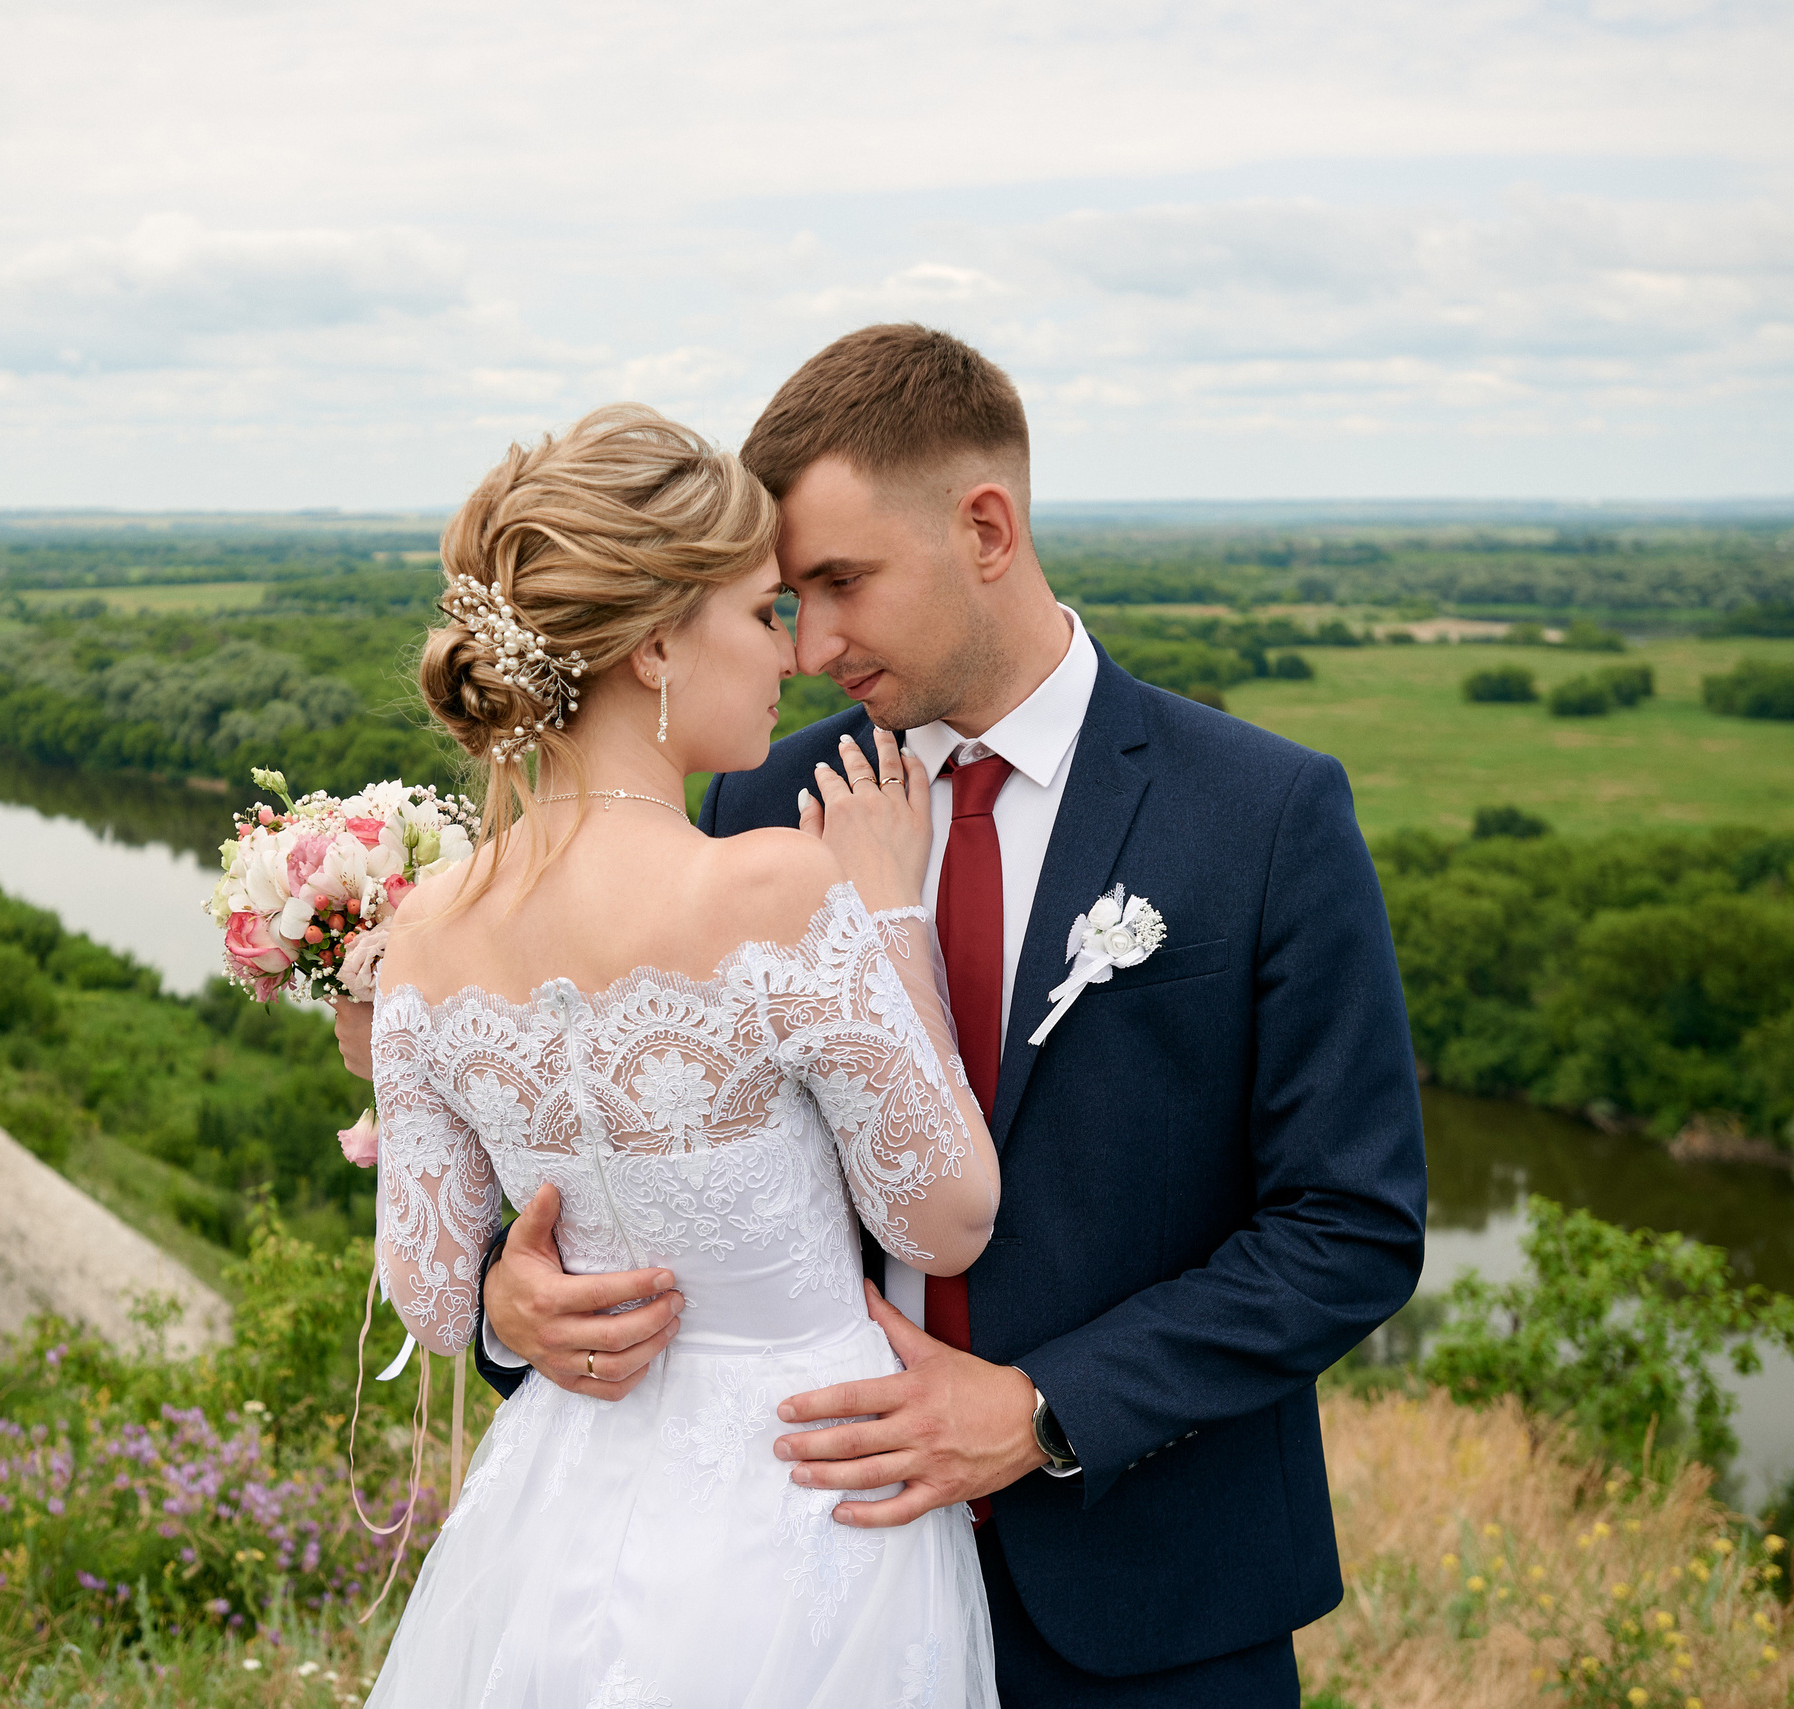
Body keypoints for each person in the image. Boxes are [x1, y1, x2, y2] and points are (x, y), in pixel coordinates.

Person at [461, 328, 1429, 1706]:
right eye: (787, 600)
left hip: (1151, 1603)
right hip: (801, 1586)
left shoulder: (1264, 815)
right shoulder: (743, 805)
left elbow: (1353, 1225)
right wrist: (516, 1296)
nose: (816, 645)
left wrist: (1042, 1409)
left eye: (846, 583)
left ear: (987, 527)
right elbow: (622, 1112)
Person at [359, 403, 1005, 1707]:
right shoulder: (773, 883)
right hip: (807, 1505)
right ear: (658, 640)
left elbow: (432, 1294)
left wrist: (515, 1294)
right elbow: (947, 1218)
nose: (793, 652)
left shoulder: (423, 935)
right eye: (762, 610)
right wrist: (887, 908)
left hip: (561, 1501)